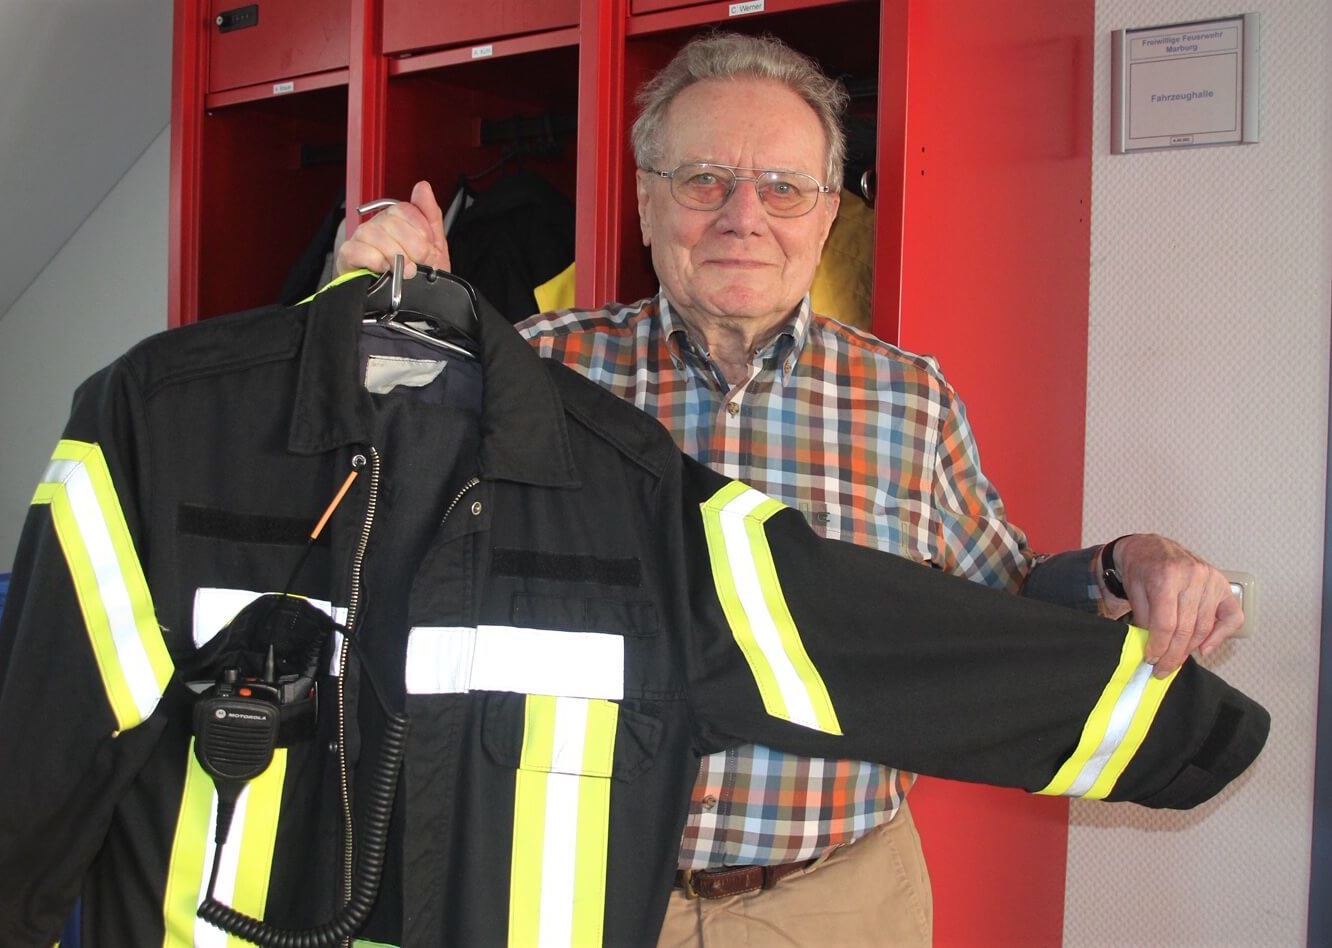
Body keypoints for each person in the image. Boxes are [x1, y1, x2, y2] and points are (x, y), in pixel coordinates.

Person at [336, 30, 1244, 947]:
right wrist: (366, 331)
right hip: (572, 887)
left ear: (824, 217)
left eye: (783, 188)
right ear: (646, 202)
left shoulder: (909, 401)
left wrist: (1124, 567)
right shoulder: (529, 372)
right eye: (702, 181)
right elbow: (365, 539)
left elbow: (1000, 600)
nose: (744, 216)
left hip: (839, 901)